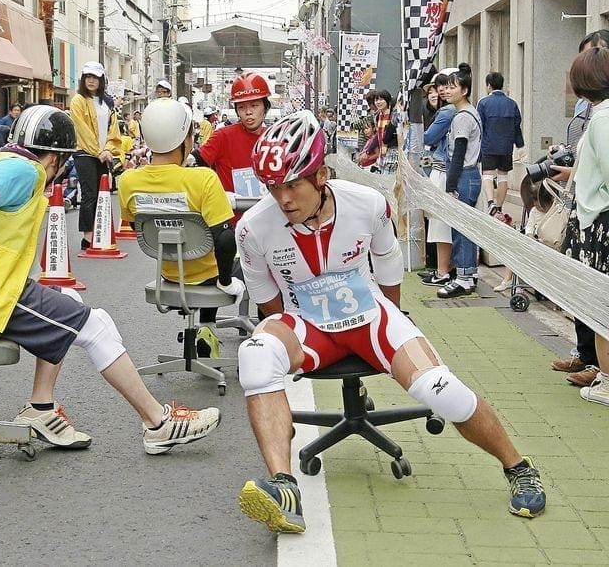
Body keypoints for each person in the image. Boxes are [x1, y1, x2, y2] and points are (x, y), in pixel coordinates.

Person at [234, 110, 546, 534]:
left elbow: (387, 261)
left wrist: (397, 317)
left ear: (320, 175)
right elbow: (269, 301)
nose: (282, 199)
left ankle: (519, 466)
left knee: (443, 390)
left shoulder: (367, 204)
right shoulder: (253, 228)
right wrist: (291, 350)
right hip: (306, 324)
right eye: (273, 188)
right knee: (254, 355)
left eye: (292, 185)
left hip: (369, 316)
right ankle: (284, 487)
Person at [0, 104, 221, 453]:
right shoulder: (28, 170)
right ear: (54, 158)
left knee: (71, 303)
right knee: (96, 325)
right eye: (63, 164)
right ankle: (158, 422)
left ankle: (41, 407)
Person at [118, 98, 244, 358]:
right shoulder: (203, 179)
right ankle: (224, 329)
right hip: (207, 276)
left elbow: (137, 226)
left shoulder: (128, 181)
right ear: (185, 139)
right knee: (248, 261)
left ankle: (206, 328)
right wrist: (224, 281)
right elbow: (224, 239)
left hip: (169, 273)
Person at [551, 29, 609, 389]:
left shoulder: (602, 120)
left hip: (600, 221)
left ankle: (604, 378)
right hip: (596, 216)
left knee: (599, 307)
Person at [192, 71, 271, 220]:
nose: (248, 112)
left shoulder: (276, 138)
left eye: (254, 105)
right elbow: (194, 162)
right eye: (241, 107)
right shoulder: (223, 136)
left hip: (269, 220)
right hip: (231, 223)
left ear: (265, 107)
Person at [436, 63, 482, 298]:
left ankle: (463, 278)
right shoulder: (469, 112)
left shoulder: (463, 117)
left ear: (464, 90)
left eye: (453, 87)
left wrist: (450, 185)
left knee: (461, 228)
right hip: (471, 174)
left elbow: (459, 153)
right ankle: (469, 273)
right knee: (467, 227)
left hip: (464, 175)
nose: (448, 90)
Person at [69, 61, 122, 250]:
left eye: (95, 78)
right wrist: (98, 151)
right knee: (89, 193)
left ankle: (100, 231)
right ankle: (88, 236)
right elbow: (82, 130)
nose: (91, 81)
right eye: (88, 77)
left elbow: (113, 129)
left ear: (101, 80)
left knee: (103, 194)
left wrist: (107, 149)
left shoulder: (107, 102)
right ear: (83, 79)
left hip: (103, 154)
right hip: (85, 153)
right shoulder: (78, 100)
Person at [418, 69, 459, 288]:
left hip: (443, 171)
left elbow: (427, 137)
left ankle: (443, 271)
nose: (441, 91)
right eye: (437, 87)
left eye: (447, 86)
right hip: (449, 170)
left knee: (440, 223)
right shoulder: (457, 111)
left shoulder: (447, 113)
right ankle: (446, 269)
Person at [477, 72, 524, 218]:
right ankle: (499, 207)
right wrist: (520, 145)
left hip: (488, 145)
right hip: (506, 147)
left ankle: (490, 202)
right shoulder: (512, 104)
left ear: (489, 85)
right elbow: (517, 126)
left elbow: (479, 126)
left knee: (488, 175)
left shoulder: (483, 103)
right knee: (503, 176)